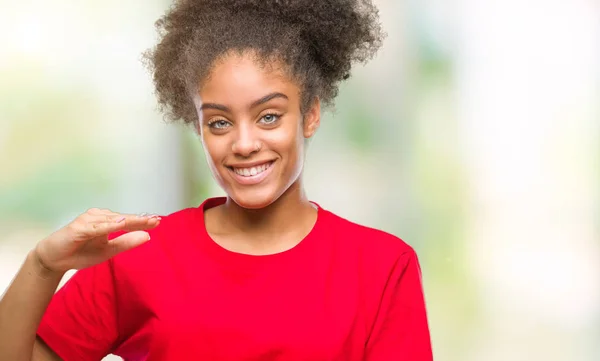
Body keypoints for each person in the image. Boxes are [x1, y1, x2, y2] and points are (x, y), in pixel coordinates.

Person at [0, 0, 433, 360]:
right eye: (220, 122)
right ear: (198, 127)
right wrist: (43, 265)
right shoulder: (138, 251)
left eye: (268, 116)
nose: (244, 144)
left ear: (311, 114)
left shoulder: (381, 267)